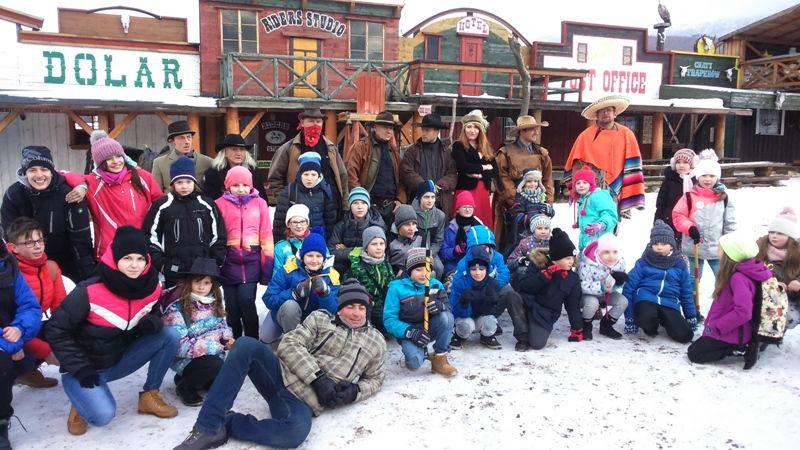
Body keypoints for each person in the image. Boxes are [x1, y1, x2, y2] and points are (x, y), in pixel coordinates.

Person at [172, 280, 386, 450]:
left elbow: (375, 378)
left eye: (361, 307)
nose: (356, 313)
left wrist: (355, 391)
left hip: (302, 403)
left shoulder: (375, 341)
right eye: (350, 306)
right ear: (339, 309)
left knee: (293, 434)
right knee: (246, 344)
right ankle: (208, 426)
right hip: (278, 377)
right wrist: (318, 377)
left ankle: (229, 424)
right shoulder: (321, 319)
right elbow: (289, 344)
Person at [45, 226, 180, 436]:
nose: (134, 265)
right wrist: (80, 368)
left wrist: (152, 322)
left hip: (119, 357)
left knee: (169, 335)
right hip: (85, 368)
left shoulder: (152, 287)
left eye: (140, 258)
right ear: (115, 257)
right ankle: (80, 401)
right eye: (127, 258)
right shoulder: (89, 290)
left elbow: (152, 312)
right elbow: (56, 329)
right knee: (103, 416)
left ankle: (149, 395)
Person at [63, 130, 163, 259]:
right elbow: (62, 173)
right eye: (109, 159)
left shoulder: (142, 176)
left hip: (142, 247)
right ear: (100, 163)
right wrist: (81, 185)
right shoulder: (93, 182)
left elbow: (160, 203)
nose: (116, 161)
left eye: (118, 156)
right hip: (109, 251)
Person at [1, 145, 95, 282]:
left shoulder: (69, 194)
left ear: (51, 171)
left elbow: (81, 237)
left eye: (44, 169)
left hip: (65, 263)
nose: (39, 175)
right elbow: (9, 235)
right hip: (27, 265)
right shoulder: (14, 195)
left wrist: (86, 271)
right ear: (25, 172)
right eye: (32, 170)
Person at [687, 233, 772, 365]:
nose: (717, 251)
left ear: (730, 254)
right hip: (730, 328)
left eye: (720, 248)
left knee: (695, 354)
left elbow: (744, 312)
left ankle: (739, 349)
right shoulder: (741, 270)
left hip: (733, 331)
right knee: (699, 347)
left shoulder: (738, 278)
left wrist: (719, 327)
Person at [143, 157, 227, 288]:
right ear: (172, 184)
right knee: (176, 307)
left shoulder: (207, 205)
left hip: (202, 271)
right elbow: (150, 237)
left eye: (188, 181)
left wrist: (214, 262)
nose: (184, 186)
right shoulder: (162, 206)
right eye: (179, 182)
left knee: (201, 307)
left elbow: (218, 236)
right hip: (174, 271)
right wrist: (163, 265)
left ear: (194, 182)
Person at [160, 258, 233, 407]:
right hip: (187, 359)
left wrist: (227, 340)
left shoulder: (214, 302)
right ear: (189, 282)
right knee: (214, 366)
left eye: (206, 283)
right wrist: (217, 347)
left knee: (227, 380)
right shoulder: (177, 307)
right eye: (197, 282)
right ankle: (185, 386)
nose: (201, 287)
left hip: (213, 356)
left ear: (212, 285)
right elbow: (180, 345)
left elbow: (222, 327)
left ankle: (192, 379)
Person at [215, 166, 274, 339]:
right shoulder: (219, 204)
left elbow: (266, 236)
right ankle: (234, 340)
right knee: (232, 306)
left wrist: (267, 267)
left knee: (247, 301)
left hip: (251, 261)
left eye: (244, 185)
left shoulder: (260, 203)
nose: (241, 189)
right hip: (228, 262)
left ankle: (251, 339)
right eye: (236, 185)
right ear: (228, 186)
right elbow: (216, 235)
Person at [5, 218, 64, 388]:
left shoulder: (50, 267)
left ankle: (27, 372)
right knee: (21, 350)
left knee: (61, 331)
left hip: (30, 326)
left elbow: (61, 309)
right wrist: (45, 351)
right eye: (30, 242)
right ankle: (18, 372)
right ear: (13, 247)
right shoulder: (8, 275)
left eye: (39, 240)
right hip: (9, 331)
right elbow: (7, 324)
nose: (38, 246)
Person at [564, 95, 645, 216]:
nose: (605, 112)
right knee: (589, 220)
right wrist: (578, 186)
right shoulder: (585, 136)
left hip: (617, 187)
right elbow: (575, 164)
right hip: (590, 185)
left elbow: (633, 163)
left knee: (611, 222)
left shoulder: (627, 134)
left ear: (615, 113)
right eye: (601, 111)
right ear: (596, 115)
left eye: (608, 110)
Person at [384, 247, 457, 376]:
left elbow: (448, 309)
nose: (424, 274)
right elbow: (389, 320)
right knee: (414, 363)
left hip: (430, 327)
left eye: (428, 269)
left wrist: (441, 306)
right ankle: (419, 352)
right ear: (410, 270)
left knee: (446, 317)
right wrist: (410, 332)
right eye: (419, 270)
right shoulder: (396, 288)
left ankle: (440, 358)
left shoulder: (436, 285)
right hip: (409, 331)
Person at [622, 220, 697, 343]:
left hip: (670, 301)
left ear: (672, 245)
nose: (659, 246)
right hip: (646, 299)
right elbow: (629, 288)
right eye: (655, 243)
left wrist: (691, 316)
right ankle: (651, 321)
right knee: (647, 324)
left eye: (663, 243)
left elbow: (686, 292)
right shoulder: (643, 262)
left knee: (685, 336)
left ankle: (665, 319)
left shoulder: (680, 264)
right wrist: (630, 318)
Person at [508, 228, 583, 351]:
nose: (571, 262)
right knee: (512, 296)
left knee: (537, 344)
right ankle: (522, 337)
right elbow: (524, 286)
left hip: (545, 314)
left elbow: (573, 306)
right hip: (528, 304)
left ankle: (531, 328)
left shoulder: (572, 279)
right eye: (567, 258)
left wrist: (577, 328)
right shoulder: (538, 264)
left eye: (572, 258)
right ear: (556, 258)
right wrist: (544, 276)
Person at [0, 236, 42, 449]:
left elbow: (31, 307)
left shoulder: (8, 267)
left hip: (8, 339)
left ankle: (1, 421)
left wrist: (18, 330)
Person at [672, 149, 735, 289]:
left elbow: (729, 223)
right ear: (698, 176)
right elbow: (678, 215)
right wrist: (689, 227)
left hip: (717, 248)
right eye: (704, 175)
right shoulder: (689, 196)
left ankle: (724, 306)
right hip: (694, 245)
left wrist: (728, 242)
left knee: (724, 279)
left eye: (712, 176)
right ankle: (692, 307)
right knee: (693, 280)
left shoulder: (724, 197)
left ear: (717, 177)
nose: (708, 179)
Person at [261, 231, 339, 343]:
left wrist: (325, 294)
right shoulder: (288, 269)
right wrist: (294, 294)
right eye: (310, 255)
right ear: (302, 256)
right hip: (287, 315)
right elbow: (268, 298)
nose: (314, 260)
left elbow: (334, 312)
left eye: (318, 256)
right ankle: (293, 341)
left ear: (324, 258)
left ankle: (298, 343)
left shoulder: (332, 275)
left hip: (314, 322)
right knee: (266, 337)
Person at [268, 109, 349, 217]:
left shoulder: (330, 148)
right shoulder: (289, 148)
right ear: (302, 123)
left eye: (318, 121)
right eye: (311, 121)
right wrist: (285, 200)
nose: (315, 125)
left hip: (330, 205)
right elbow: (275, 178)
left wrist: (345, 204)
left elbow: (342, 176)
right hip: (299, 208)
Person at [495, 115, 554, 246]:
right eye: (532, 129)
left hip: (538, 204)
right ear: (522, 131)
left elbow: (547, 179)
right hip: (513, 205)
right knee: (510, 242)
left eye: (537, 129)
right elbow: (501, 178)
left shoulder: (542, 154)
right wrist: (517, 202)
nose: (536, 132)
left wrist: (547, 202)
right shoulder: (505, 152)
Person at [344, 110, 407, 227]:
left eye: (391, 128)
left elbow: (402, 178)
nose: (389, 131)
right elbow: (351, 175)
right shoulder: (361, 147)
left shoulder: (393, 151)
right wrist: (362, 200)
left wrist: (400, 200)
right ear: (375, 127)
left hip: (391, 206)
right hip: (370, 205)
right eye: (385, 127)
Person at [452, 225, 517, 332]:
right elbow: (459, 283)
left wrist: (492, 286)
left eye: (485, 247)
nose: (483, 250)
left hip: (488, 296)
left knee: (507, 290)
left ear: (490, 246)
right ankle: (465, 322)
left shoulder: (497, 257)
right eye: (478, 247)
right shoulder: (464, 263)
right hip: (471, 299)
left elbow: (504, 274)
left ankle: (491, 320)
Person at [400, 113, 458, 219]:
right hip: (418, 201)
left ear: (436, 131)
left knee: (440, 233)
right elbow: (406, 173)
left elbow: (452, 175)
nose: (423, 133)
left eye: (427, 130)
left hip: (441, 201)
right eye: (423, 130)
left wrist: (439, 185)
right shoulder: (412, 151)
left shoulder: (447, 152)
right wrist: (425, 186)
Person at [755, 208, 800, 333]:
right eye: (772, 232)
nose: (774, 236)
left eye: (780, 233)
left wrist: (798, 282)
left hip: (792, 297)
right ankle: (762, 337)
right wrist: (770, 283)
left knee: (789, 317)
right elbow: (749, 271)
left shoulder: (797, 252)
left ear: (790, 236)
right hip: (765, 296)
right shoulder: (758, 249)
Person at [272, 152, 336, 240]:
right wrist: (279, 244)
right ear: (300, 174)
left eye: (313, 174)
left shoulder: (325, 191)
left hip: (318, 240)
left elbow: (330, 220)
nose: (309, 178)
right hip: (294, 241)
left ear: (319, 176)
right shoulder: (290, 191)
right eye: (306, 174)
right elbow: (279, 222)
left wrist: (326, 241)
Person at [451, 109, 498, 230]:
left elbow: (495, 171)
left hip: (483, 190)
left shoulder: (485, 147)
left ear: (480, 130)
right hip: (465, 190)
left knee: (482, 221)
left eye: (476, 127)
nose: (472, 130)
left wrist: (479, 175)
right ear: (464, 129)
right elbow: (463, 166)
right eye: (469, 127)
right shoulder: (458, 146)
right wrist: (483, 167)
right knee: (465, 223)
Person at [577, 233, 629, 340]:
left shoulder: (620, 262)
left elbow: (620, 282)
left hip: (607, 293)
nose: (611, 256)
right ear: (599, 252)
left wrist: (617, 282)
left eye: (615, 252)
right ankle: (586, 325)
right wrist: (601, 287)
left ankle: (606, 325)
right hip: (586, 295)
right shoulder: (588, 263)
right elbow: (581, 285)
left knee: (623, 301)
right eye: (606, 252)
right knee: (593, 303)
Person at [449, 246, 501, 350]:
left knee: (490, 321)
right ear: (468, 269)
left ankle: (487, 336)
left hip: (482, 317)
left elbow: (493, 312)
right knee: (466, 326)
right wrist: (464, 303)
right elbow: (453, 309)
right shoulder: (460, 283)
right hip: (465, 318)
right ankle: (459, 336)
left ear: (487, 268)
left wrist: (492, 303)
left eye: (481, 269)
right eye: (473, 269)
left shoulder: (493, 283)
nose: (477, 273)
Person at [345, 226, 395, 335]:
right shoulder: (356, 267)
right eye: (374, 244)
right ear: (366, 247)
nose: (379, 248)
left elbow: (390, 285)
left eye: (381, 244)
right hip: (365, 307)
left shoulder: (386, 264)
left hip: (383, 306)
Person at [329, 187, 385, 275]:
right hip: (345, 264)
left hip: (368, 264)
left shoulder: (377, 225)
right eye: (355, 203)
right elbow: (332, 251)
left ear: (368, 205)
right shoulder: (341, 225)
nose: (360, 207)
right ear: (350, 205)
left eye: (363, 203)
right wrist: (359, 251)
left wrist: (348, 250)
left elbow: (378, 251)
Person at [151, 120, 214, 192]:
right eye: (181, 138)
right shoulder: (159, 163)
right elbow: (156, 193)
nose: (187, 141)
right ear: (172, 141)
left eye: (189, 137)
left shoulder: (208, 162)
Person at [202, 134, 267, 200]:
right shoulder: (212, 173)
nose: (238, 153)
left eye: (242, 149)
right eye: (234, 149)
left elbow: (262, 198)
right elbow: (209, 199)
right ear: (225, 152)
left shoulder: (254, 172)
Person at [654, 148, 697, 244]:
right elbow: (661, 204)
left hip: (692, 223)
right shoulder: (669, 180)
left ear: (692, 164)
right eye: (678, 162)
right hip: (670, 221)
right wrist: (658, 222)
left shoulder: (697, 180)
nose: (681, 165)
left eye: (685, 162)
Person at [571, 165, 618, 251]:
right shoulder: (583, 199)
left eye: (585, 183)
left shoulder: (598, 196)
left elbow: (609, 214)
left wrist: (601, 224)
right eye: (578, 183)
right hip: (588, 244)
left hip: (600, 244)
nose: (581, 185)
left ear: (591, 184)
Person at [507, 168, 555, 253]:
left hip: (542, 231)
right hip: (524, 233)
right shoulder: (520, 197)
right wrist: (531, 216)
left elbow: (549, 215)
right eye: (529, 181)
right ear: (523, 183)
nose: (533, 184)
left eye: (535, 181)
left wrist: (550, 211)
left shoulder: (542, 196)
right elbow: (516, 216)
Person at [440, 191, 483, 276]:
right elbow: (442, 253)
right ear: (458, 209)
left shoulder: (479, 225)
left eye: (470, 207)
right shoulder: (451, 228)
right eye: (464, 207)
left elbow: (487, 247)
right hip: (455, 267)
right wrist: (454, 251)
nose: (468, 210)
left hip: (476, 267)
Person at [412, 180, 446, 267]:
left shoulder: (440, 216)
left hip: (430, 251)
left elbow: (438, 241)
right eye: (426, 197)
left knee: (439, 268)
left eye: (433, 197)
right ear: (419, 197)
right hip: (412, 250)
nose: (430, 200)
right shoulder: (411, 212)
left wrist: (429, 254)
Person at [507, 214, 551, 280]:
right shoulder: (525, 243)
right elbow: (510, 261)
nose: (543, 231)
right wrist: (520, 261)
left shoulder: (553, 242)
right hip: (529, 276)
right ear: (533, 229)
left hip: (548, 276)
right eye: (539, 228)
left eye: (546, 228)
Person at [273, 204, 311, 279]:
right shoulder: (280, 247)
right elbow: (276, 276)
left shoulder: (316, 243)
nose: (299, 226)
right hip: (289, 288)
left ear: (307, 224)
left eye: (302, 221)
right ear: (288, 224)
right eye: (294, 222)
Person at [389, 205, 423, 275]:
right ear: (399, 226)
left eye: (413, 224)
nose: (411, 228)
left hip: (416, 272)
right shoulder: (389, 240)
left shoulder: (421, 236)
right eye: (407, 225)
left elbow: (426, 258)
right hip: (395, 274)